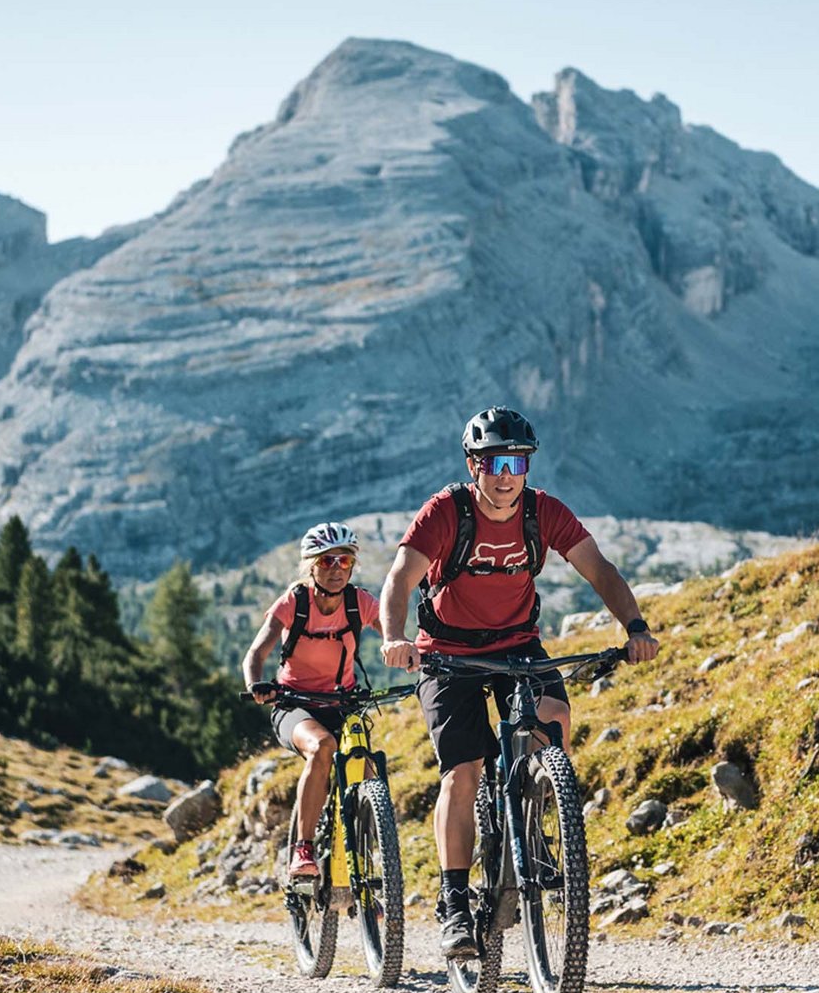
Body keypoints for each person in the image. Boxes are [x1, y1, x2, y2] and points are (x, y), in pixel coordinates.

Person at [379, 407, 660, 957]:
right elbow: (400, 578)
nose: (505, 474)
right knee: (462, 772)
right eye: (491, 463)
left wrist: (636, 627)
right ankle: (455, 903)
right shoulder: (446, 511)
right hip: (448, 655)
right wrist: (394, 637)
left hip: (516, 645)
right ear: (472, 465)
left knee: (554, 715)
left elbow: (599, 569)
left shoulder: (543, 511)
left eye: (516, 462)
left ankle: (531, 816)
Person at [242, 522, 383, 879]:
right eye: (326, 562)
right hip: (294, 704)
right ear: (311, 566)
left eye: (344, 562)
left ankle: (364, 873)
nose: (336, 569)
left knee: (367, 771)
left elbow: (393, 632)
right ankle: (302, 850)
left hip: (341, 702)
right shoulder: (295, 602)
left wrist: (410, 652)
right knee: (323, 746)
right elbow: (256, 653)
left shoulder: (360, 602)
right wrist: (257, 683)